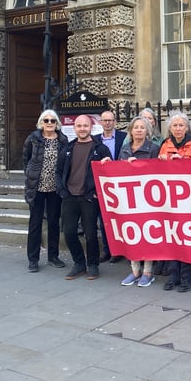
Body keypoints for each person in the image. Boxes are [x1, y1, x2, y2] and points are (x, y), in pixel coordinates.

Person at [103, 116, 161, 287]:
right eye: (136, 127)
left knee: (148, 233)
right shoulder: (125, 148)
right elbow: (119, 170)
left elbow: (158, 171)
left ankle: (148, 271)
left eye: (142, 128)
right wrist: (109, 164)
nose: (139, 130)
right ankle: (135, 270)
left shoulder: (154, 148)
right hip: (129, 197)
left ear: (147, 131)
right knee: (132, 233)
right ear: (131, 131)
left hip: (147, 197)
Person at [56, 114, 112, 281]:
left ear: (91, 127)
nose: (82, 129)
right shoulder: (67, 149)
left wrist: (97, 192)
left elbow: (108, 173)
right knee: (69, 233)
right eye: (79, 126)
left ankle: (93, 264)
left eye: (85, 126)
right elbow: (58, 172)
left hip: (89, 198)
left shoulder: (100, 148)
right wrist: (62, 191)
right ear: (75, 128)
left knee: (90, 234)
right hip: (69, 197)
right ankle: (79, 263)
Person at [158, 110, 191, 292]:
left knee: (187, 238)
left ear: (187, 127)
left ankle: (187, 277)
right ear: (170, 127)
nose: (178, 128)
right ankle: (173, 275)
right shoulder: (165, 144)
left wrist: (182, 161)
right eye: (175, 125)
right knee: (172, 236)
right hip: (170, 197)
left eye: (181, 125)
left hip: (190, 198)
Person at [23, 109, 69, 272]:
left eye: (53, 121)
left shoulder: (63, 140)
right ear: (41, 123)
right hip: (37, 188)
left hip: (55, 188)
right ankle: (33, 259)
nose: (49, 123)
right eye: (46, 120)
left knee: (54, 223)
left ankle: (53, 256)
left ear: (57, 124)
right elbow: (26, 159)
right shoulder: (33, 139)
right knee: (35, 224)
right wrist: (30, 176)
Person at [94, 110, 127, 264]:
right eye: (104, 120)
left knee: (121, 218)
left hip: (121, 184)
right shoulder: (94, 140)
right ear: (100, 122)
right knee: (105, 219)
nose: (107, 123)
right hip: (103, 184)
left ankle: (122, 249)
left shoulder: (123, 137)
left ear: (115, 122)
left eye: (110, 120)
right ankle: (108, 250)